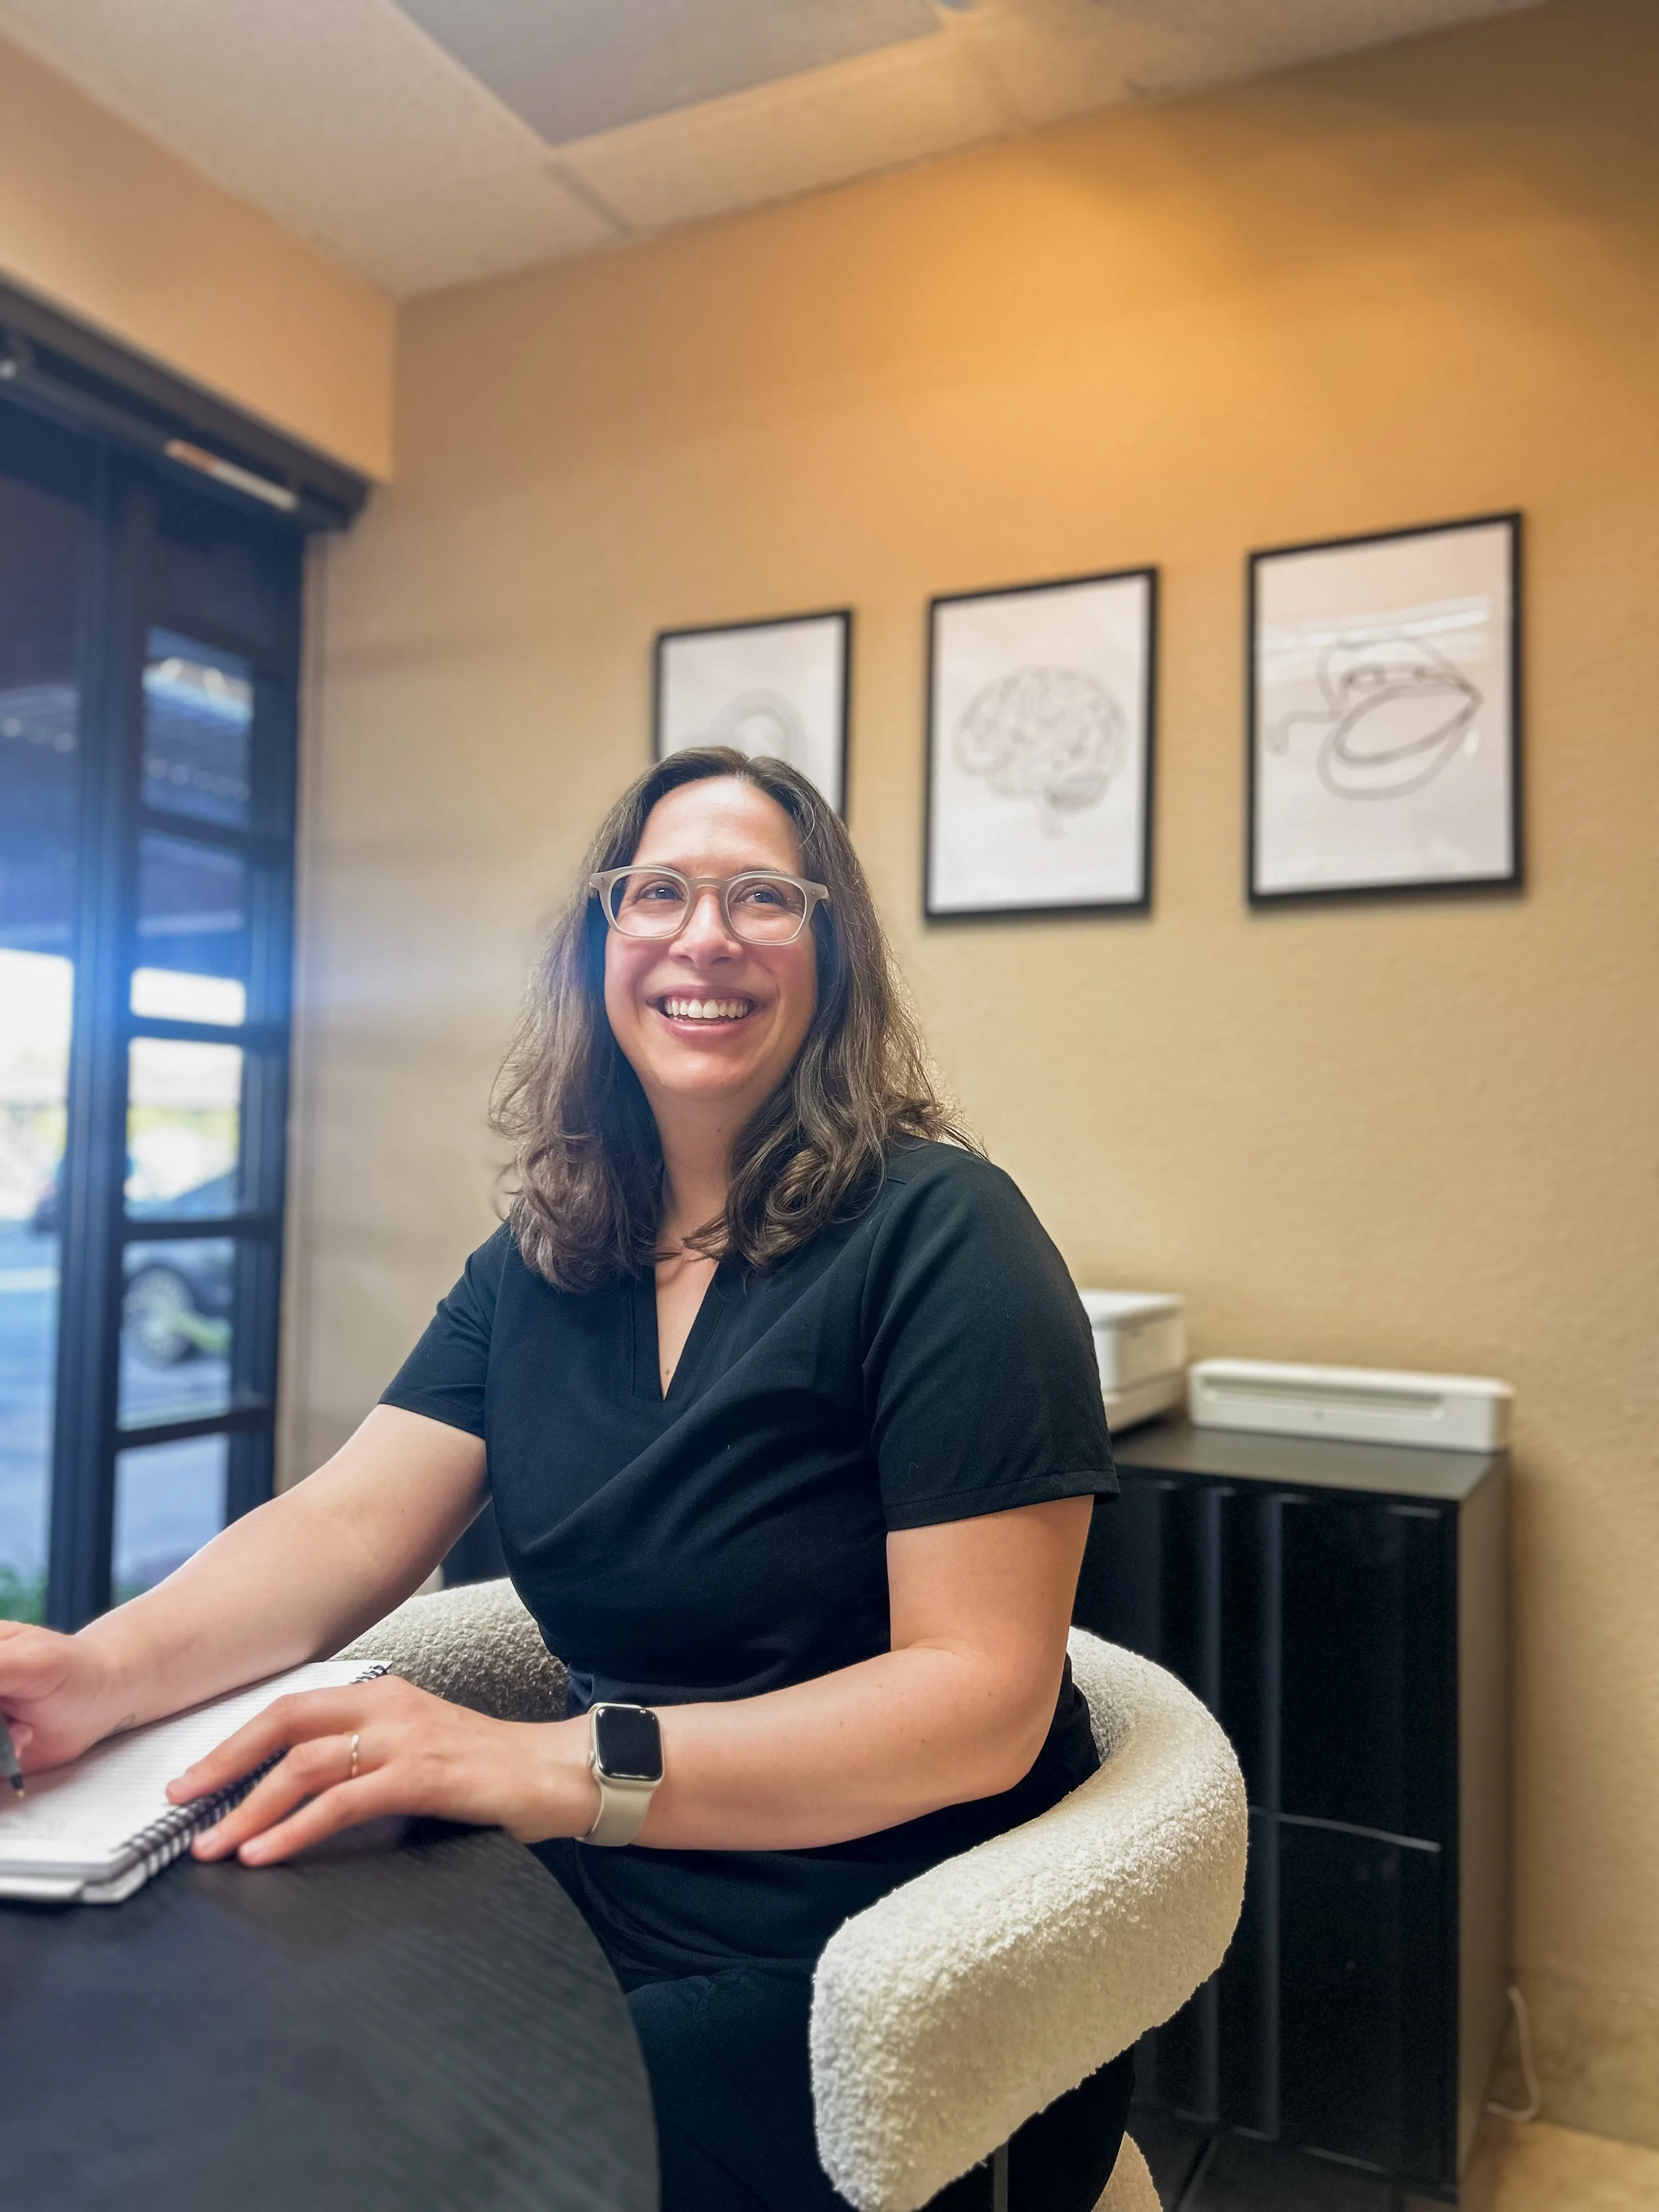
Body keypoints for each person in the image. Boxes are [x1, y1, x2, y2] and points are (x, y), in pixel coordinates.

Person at [0, 749, 1129, 2211]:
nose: (701, 934)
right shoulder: (549, 1251)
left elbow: (981, 1699)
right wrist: (95, 1670)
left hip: (892, 1957)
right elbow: (344, 1522)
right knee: (215, 2065)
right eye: (654, 890)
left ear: (830, 955)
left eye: (762, 898)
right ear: (601, 945)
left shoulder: (942, 1234)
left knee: (400, 2159)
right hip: (605, 1895)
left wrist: (553, 1762)